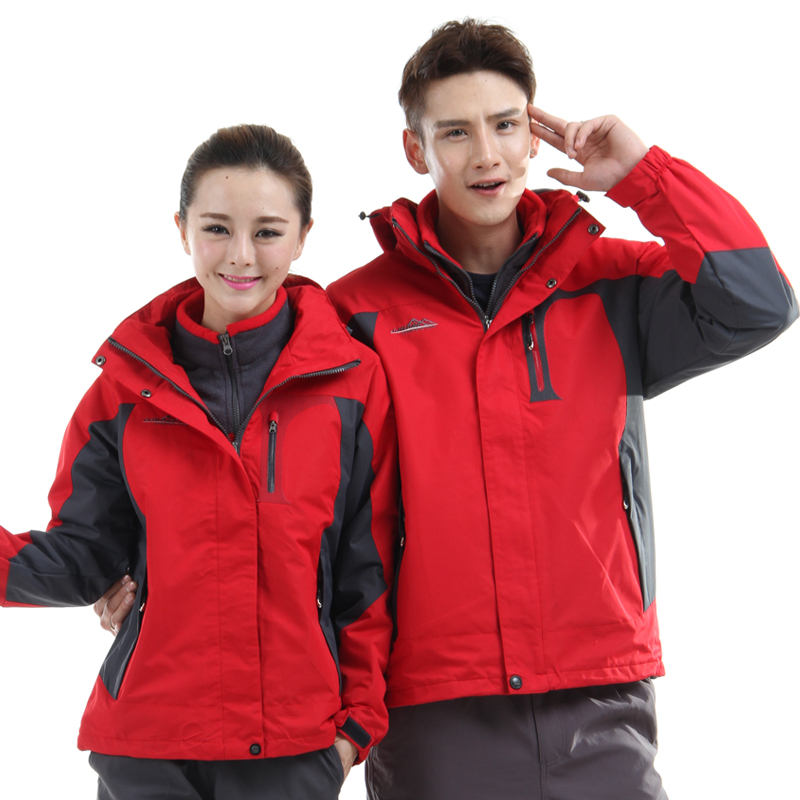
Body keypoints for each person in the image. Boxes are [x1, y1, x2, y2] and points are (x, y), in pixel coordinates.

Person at [99, 19, 798, 800]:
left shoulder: (609, 285)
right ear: (416, 150)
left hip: (598, 686)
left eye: (505, 125)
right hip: (432, 703)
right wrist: (129, 554)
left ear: (534, 136)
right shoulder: (356, 314)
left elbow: (759, 304)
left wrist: (644, 175)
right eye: (455, 133)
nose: (486, 155)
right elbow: (249, 452)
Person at [0, 124, 397, 800]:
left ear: (303, 236)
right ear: (182, 229)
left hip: (291, 750)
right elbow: (85, 556)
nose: (240, 255)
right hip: (146, 746)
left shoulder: (352, 384)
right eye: (216, 228)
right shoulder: (124, 388)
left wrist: (354, 730)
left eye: (268, 231)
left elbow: (370, 567)